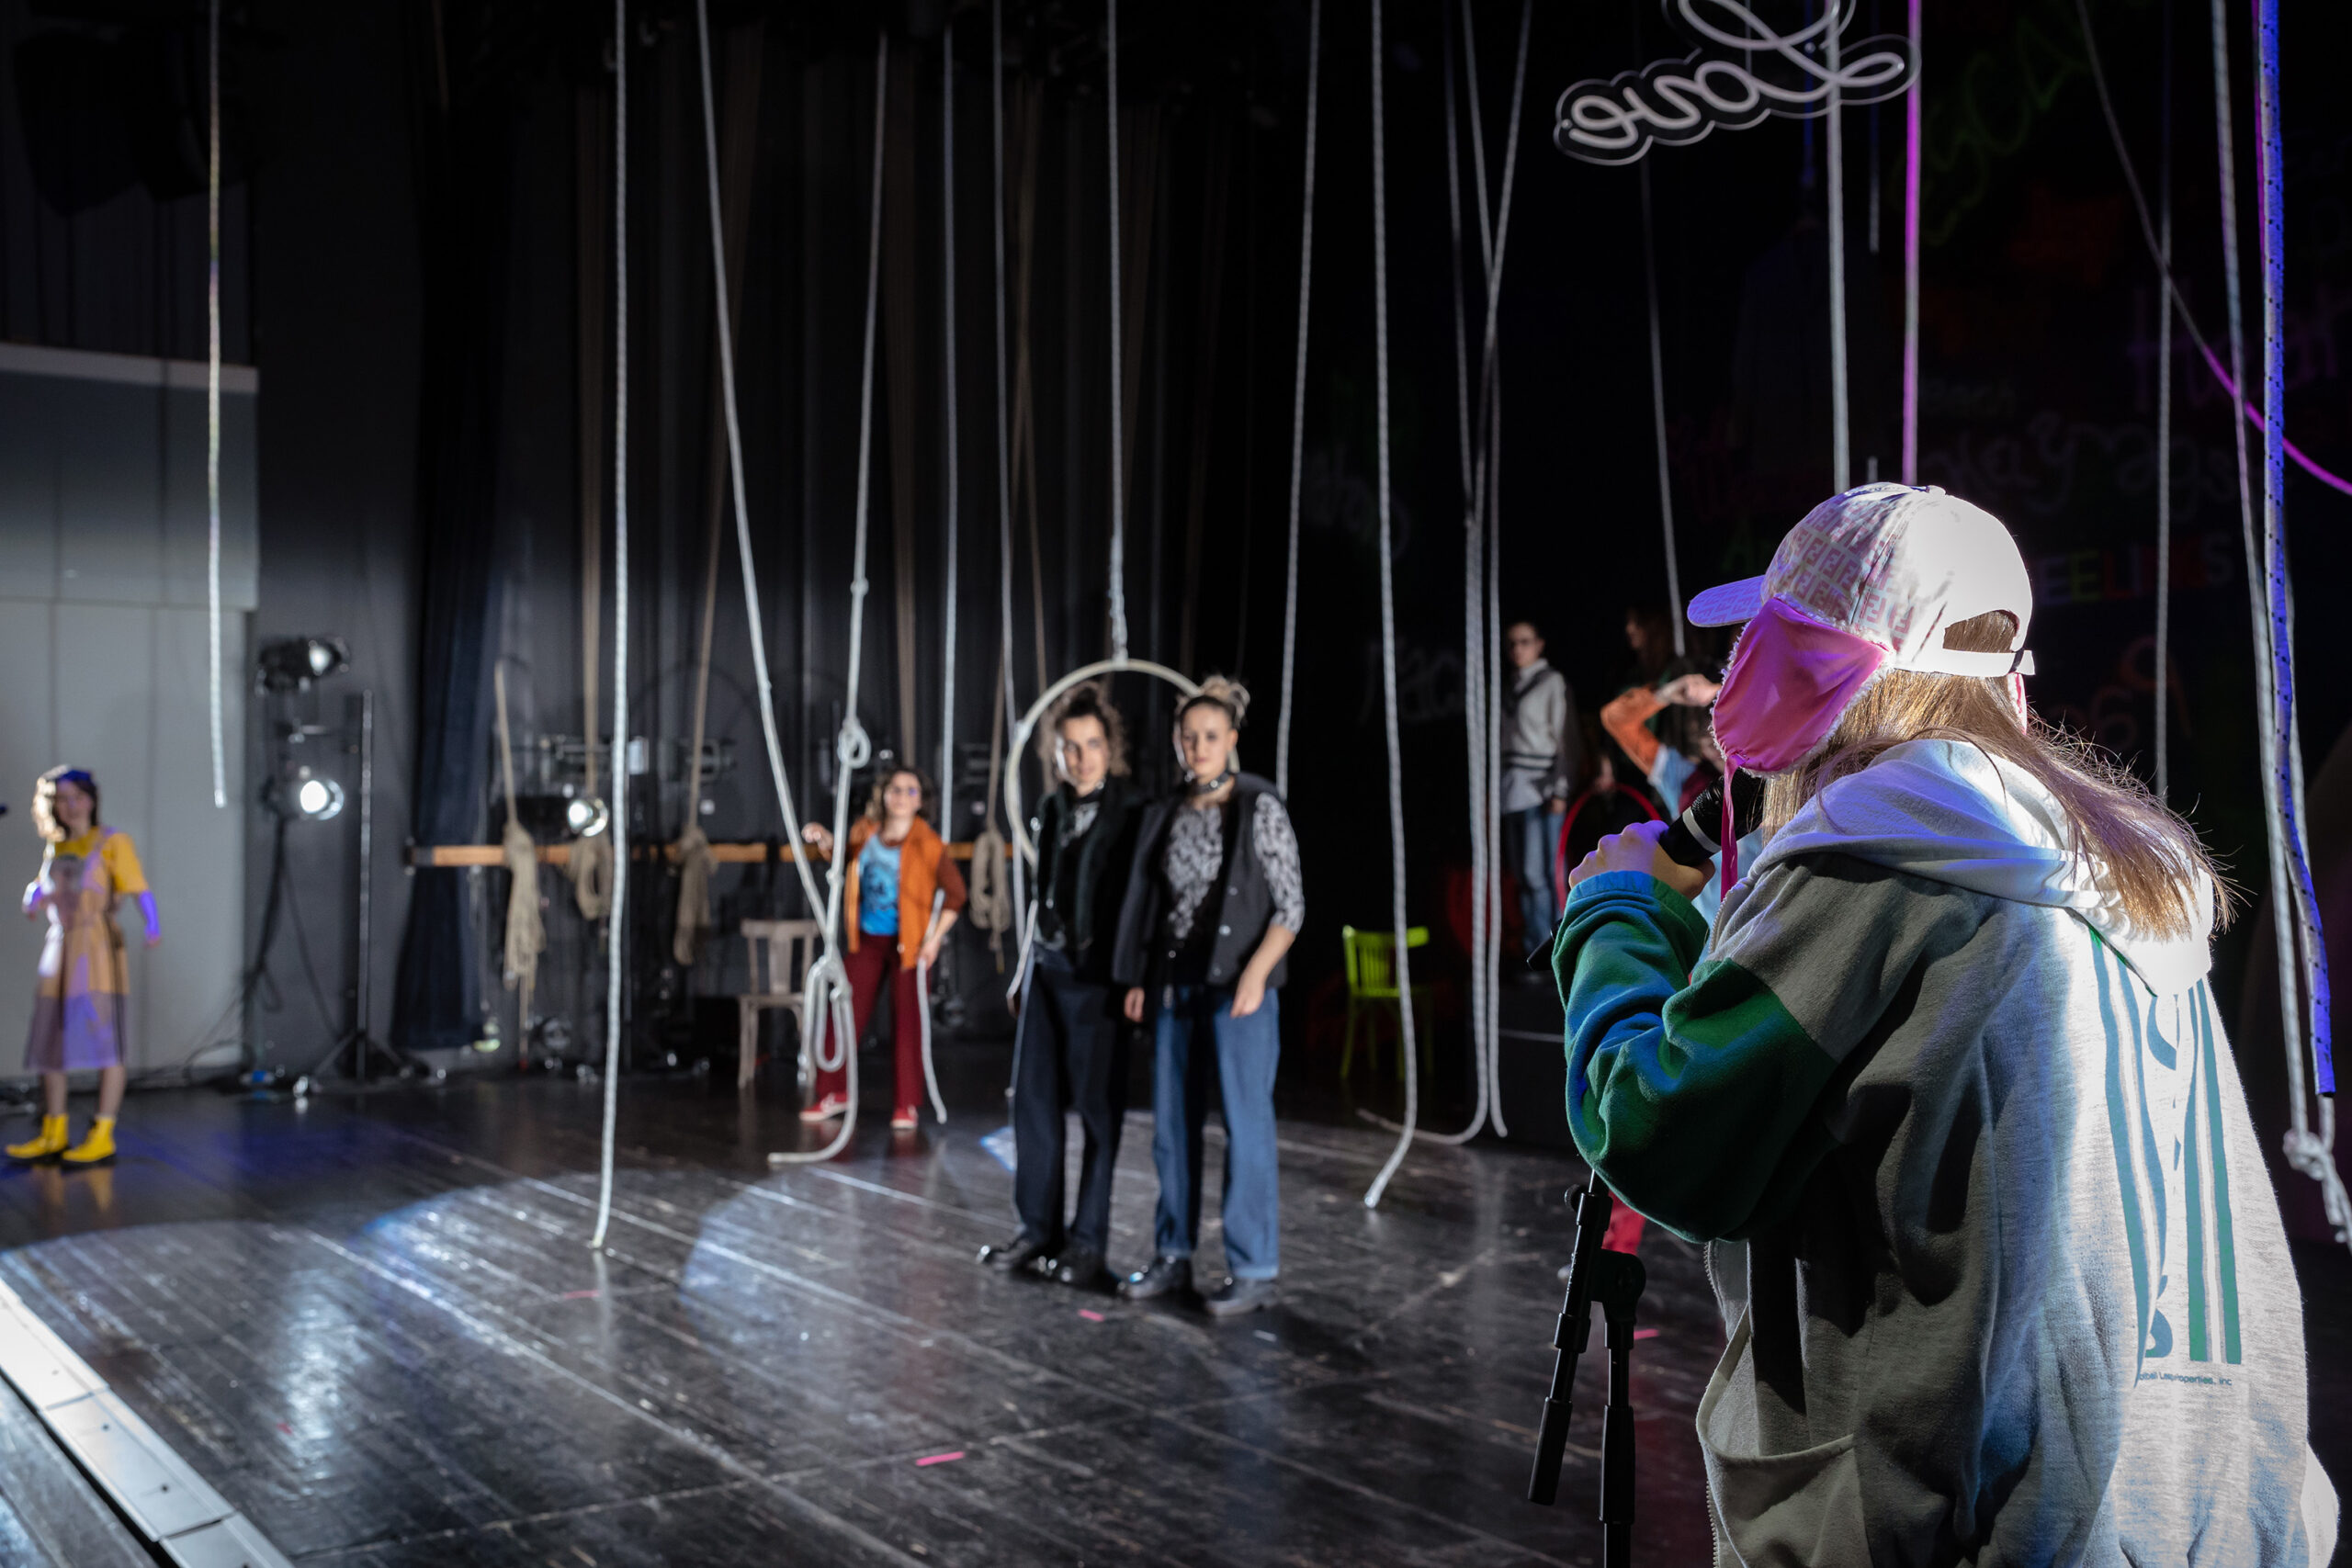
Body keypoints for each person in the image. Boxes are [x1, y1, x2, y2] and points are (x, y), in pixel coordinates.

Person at [1555, 484, 2336, 1564]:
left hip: (1968, 1527)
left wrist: (1618, 910)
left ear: (1803, 669)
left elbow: (1660, 1130)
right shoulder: (2108, 860)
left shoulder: (1879, 854)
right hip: (2191, 1504)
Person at [1111, 676, 1302, 1318]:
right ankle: (1173, 1254)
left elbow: (1291, 906)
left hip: (1238, 988)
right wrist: (1140, 979)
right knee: (1171, 1126)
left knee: (1245, 1125)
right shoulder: (1168, 810)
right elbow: (1152, 905)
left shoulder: (1258, 805)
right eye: (1189, 737)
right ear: (1177, 741)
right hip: (1177, 983)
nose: (1198, 747)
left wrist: (1255, 975)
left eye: (1210, 737)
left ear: (1231, 740)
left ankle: (1253, 1266)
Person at [978, 683, 1144, 1288]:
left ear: (1110, 748)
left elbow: (1139, 905)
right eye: (1070, 747)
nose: (1082, 758)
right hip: (1048, 972)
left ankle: (1087, 1242)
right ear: (1055, 753)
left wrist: (1134, 977)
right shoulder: (1050, 810)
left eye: (1092, 745)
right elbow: (1039, 896)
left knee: (1098, 1112)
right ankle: (1037, 1229)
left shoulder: (1132, 812)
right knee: (1033, 1104)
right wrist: (1025, 967)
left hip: (1099, 979)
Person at [799, 764, 966, 1131]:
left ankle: (906, 1104)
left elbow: (956, 895)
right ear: (884, 795)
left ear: (920, 800)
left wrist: (933, 940)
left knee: (908, 1023)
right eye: (896, 789)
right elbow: (844, 857)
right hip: (868, 940)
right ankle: (834, 1092)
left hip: (910, 946)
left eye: (910, 790)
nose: (902, 796)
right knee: (844, 1010)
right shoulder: (866, 830)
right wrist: (825, 839)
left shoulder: (928, 844)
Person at [7, 768, 159, 1167]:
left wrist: (152, 924)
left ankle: (102, 1132)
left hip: (96, 948)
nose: (70, 805)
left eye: (76, 797)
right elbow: (43, 885)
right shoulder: (56, 847)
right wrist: (33, 895)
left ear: (91, 800)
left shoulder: (112, 841)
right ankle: (53, 1129)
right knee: (49, 1039)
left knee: (106, 1037)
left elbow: (137, 887)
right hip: (60, 946)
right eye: (61, 798)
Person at [1499, 621, 1577, 964]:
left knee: (1544, 873)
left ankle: (1554, 950)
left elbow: (1566, 738)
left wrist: (1561, 787)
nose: (1518, 649)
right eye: (1512, 643)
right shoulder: (1508, 686)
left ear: (1539, 644)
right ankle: (1535, 947)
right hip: (1511, 790)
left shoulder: (1551, 682)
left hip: (1541, 788)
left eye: (1525, 642)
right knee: (1524, 876)